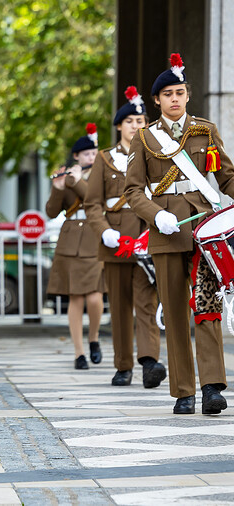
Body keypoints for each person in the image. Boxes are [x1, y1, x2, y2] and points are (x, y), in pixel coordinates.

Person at [124, 54, 234, 415]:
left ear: (188, 95)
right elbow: (133, 191)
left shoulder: (205, 130)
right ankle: (183, 390)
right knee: (173, 312)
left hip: (203, 231)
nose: (175, 98)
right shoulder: (144, 138)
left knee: (207, 307)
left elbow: (228, 176)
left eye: (180, 92)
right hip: (166, 232)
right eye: (168, 93)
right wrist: (156, 216)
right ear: (157, 100)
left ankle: (212, 388)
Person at [84, 86, 166, 388]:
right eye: (130, 121)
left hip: (146, 244)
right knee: (119, 307)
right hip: (115, 244)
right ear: (119, 125)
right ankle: (123, 365)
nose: (136, 125)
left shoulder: (157, 156)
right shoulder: (104, 161)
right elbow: (92, 204)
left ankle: (148, 362)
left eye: (141, 121)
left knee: (147, 304)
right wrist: (104, 232)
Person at [46, 124, 105, 370]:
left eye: (94, 153)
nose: (92, 157)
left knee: (94, 297)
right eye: (87, 154)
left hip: (94, 238)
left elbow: (94, 199)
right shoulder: (69, 177)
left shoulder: (103, 174)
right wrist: (58, 188)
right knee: (75, 298)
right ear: (76, 156)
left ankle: (93, 337)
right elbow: (51, 211)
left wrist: (79, 181)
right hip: (70, 241)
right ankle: (79, 353)